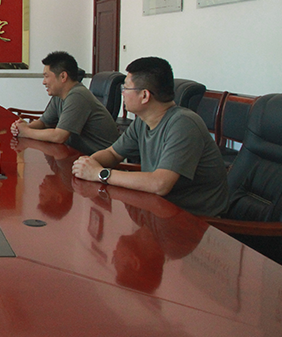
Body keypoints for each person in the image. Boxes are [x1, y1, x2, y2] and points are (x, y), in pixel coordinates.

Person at [72, 56, 228, 217]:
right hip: (159, 209)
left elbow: (160, 184)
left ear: (145, 96)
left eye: (126, 88)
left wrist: (101, 174)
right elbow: (112, 154)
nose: (122, 93)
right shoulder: (142, 121)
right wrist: (88, 164)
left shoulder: (184, 124)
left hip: (195, 220)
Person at [11, 51, 120, 155]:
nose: (44, 82)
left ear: (63, 76)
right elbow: (44, 122)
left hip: (100, 161)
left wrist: (26, 132)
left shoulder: (78, 95)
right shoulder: (59, 95)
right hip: (77, 155)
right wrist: (23, 127)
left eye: (46, 76)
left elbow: (59, 136)